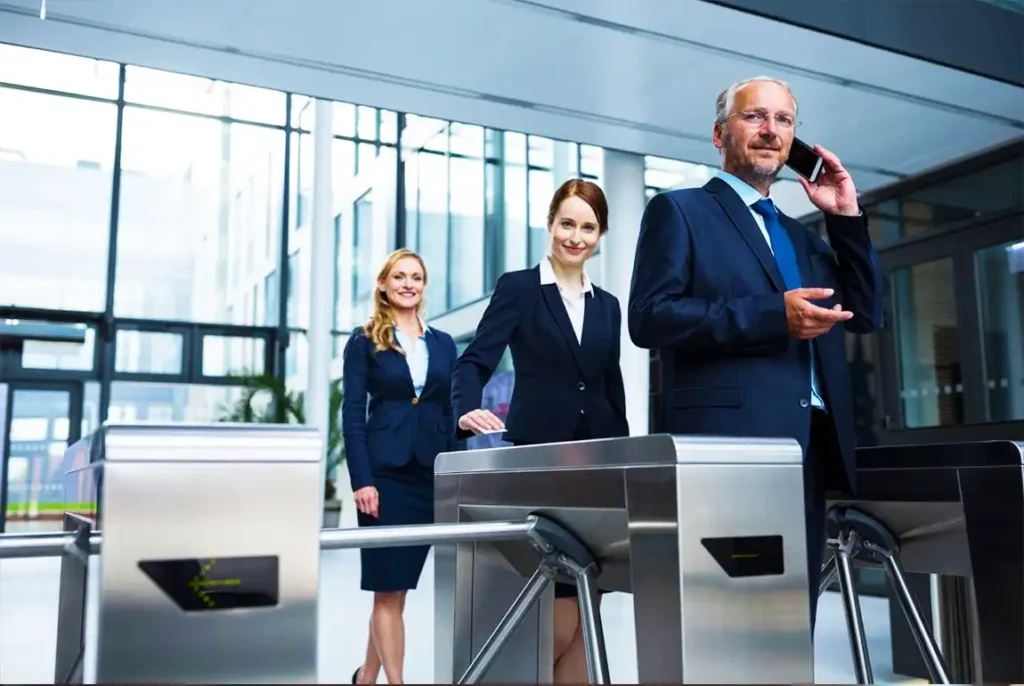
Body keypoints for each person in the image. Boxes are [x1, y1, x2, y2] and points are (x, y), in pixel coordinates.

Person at [627, 76, 884, 628]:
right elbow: (649, 318)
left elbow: (865, 314)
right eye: (755, 117)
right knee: (732, 623)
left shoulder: (805, 238)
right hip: (731, 450)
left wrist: (845, 218)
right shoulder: (679, 212)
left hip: (809, 453)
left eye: (784, 121)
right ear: (720, 135)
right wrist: (773, 316)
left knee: (793, 622)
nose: (771, 131)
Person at [452, 178, 629, 683]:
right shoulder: (520, 288)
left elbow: (608, 386)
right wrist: (465, 409)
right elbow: (474, 361)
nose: (576, 236)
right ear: (550, 224)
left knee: (587, 610)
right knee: (557, 609)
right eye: (567, 223)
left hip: (597, 468)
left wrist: (625, 464)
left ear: (601, 235)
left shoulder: (608, 305)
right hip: (541, 462)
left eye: (588, 227)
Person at [342, 248, 458, 685]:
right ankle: (396, 682)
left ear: (423, 286)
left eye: (417, 277)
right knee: (387, 589)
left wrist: (453, 474)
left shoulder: (443, 343)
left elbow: (447, 411)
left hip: (428, 476)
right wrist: (362, 480)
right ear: (383, 285)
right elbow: (352, 413)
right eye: (400, 276)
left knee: (398, 590)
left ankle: (366, 677)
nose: (409, 284)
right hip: (384, 477)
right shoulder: (364, 340)